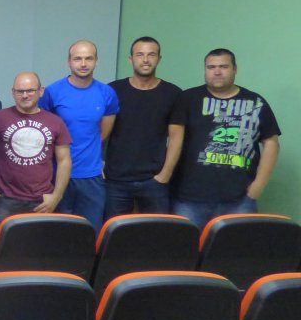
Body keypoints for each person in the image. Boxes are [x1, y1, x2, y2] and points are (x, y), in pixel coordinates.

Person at [169, 49, 281, 228]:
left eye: (223, 66)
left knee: (236, 246)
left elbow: (271, 143)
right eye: (211, 67)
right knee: (187, 245)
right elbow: (174, 139)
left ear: (235, 69)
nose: (217, 72)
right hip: (189, 199)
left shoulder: (255, 102)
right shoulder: (188, 99)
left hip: (239, 199)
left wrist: (258, 185)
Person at [38, 40, 119, 231]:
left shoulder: (107, 93)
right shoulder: (52, 92)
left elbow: (103, 133)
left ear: (96, 61)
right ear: (69, 62)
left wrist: (90, 154)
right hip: (57, 177)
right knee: (57, 234)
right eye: (77, 59)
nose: (83, 64)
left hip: (91, 177)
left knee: (90, 233)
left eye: (88, 58)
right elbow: (44, 133)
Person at [105, 37, 182, 217]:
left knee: (156, 231)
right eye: (140, 55)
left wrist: (165, 175)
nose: (145, 60)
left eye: (151, 55)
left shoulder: (173, 93)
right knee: (113, 230)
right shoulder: (113, 90)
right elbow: (99, 132)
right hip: (116, 180)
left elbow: (176, 137)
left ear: (159, 59)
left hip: (154, 180)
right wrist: (99, 168)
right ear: (130, 59)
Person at [0, 72, 72, 228]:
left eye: (30, 90)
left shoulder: (56, 122)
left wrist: (56, 196)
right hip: (3, 200)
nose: (25, 95)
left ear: (41, 91)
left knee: (37, 243)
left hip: (41, 201)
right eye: (20, 91)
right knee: (2, 243)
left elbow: (64, 161)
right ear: (13, 92)